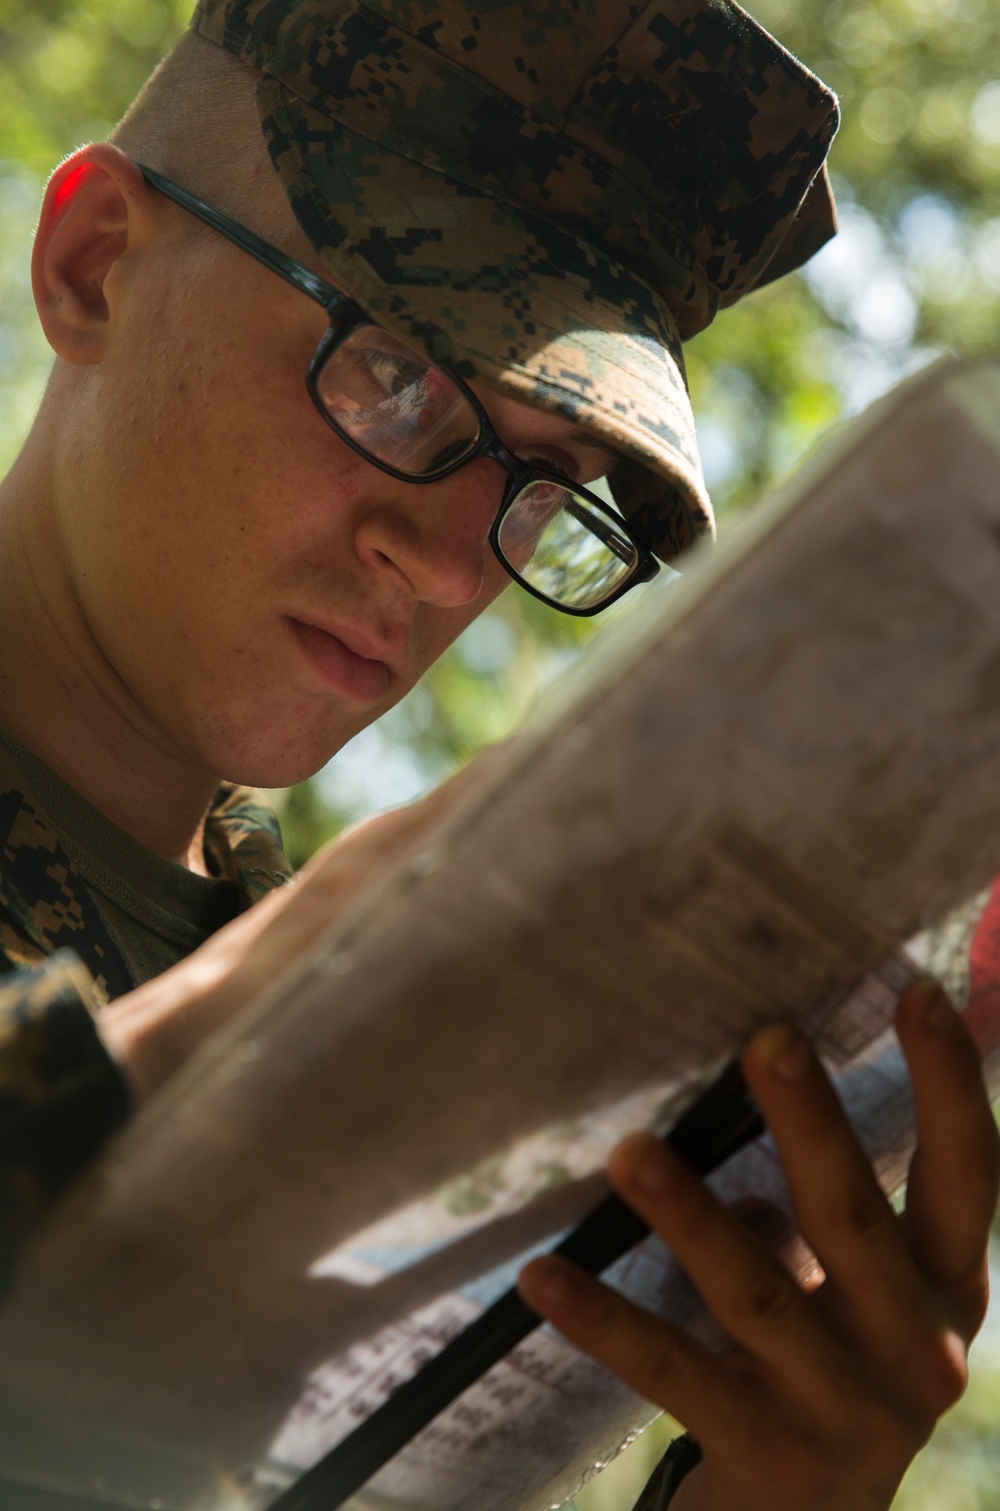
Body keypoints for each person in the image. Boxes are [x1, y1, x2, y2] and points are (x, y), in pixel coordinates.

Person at [0, 0, 996, 1506]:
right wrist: (258, 1011)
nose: (461, 569)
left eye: (547, 493)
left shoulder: (360, 1041)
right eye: (397, 379)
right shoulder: (300, 991)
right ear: (93, 268)